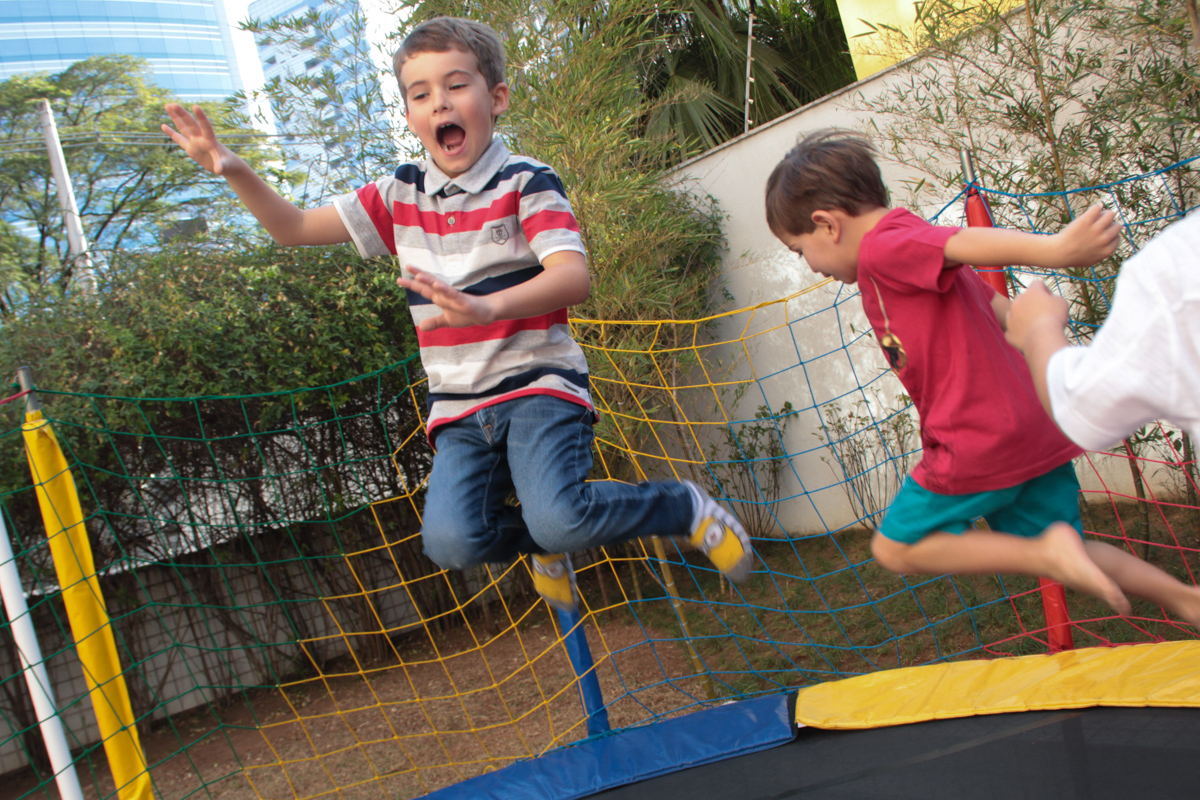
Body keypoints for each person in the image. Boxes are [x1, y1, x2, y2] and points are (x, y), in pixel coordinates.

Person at [162, 16, 753, 610]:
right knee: (451, 540)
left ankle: (682, 507)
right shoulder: (396, 196)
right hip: (460, 406)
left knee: (563, 519)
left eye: (455, 86)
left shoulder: (526, 181)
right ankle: (541, 544)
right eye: (421, 94)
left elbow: (573, 277)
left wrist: (485, 306)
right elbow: (291, 228)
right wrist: (232, 167)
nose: (439, 102)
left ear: (495, 98)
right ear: (411, 115)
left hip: (538, 388)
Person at [763, 129, 1200, 627]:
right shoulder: (918, 256)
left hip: (977, 435)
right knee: (1068, 546)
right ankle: (1184, 598)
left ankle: (1048, 557)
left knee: (896, 548)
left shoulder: (886, 245)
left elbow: (964, 241)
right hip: (1035, 429)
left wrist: (1058, 249)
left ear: (827, 225)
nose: (810, 266)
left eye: (800, 250)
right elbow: (1008, 316)